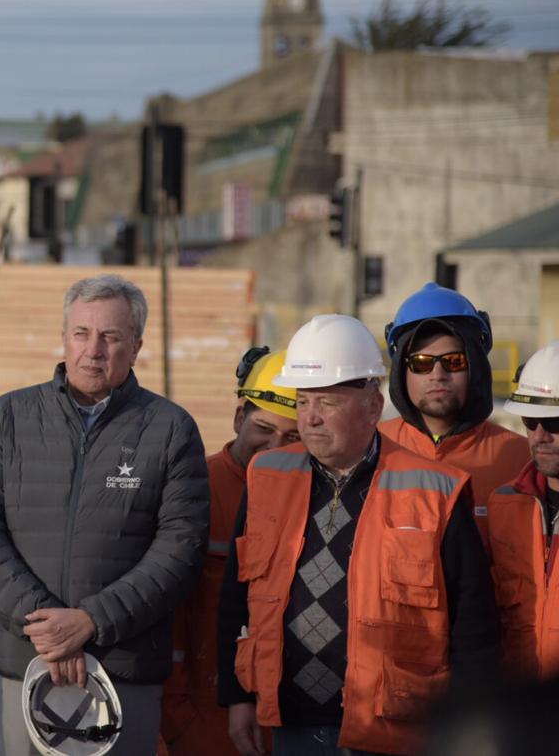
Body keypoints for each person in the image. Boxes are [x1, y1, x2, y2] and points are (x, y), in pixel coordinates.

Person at [217, 314, 499, 756]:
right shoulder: (266, 476)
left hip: (398, 731)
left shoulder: (435, 488)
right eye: (304, 401)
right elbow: (237, 596)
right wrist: (236, 695)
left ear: (372, 404)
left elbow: (473, 624)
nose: (309, 418)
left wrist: (469, 725)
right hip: (288, 723)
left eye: (326, 403)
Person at [0, 273, 210, 756]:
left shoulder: (170, 429)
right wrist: (47, 627)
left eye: (110, 337)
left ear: (135, 346)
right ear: (64, 338)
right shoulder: (7, 417)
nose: (93, 349)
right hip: (31, 657)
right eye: (81, 334)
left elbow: (181, 550)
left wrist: (91, 621)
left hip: (124, 666)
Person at [160, 348, 299, 755]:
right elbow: (164, 615)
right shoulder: (191, 490)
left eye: (292, 437)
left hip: (282, 717)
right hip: (199, 718)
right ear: (240, 417)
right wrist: (177, 720)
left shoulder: (313, 498)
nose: (275, 446)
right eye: (263, 429)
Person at [381, 283, 531, 537]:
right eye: (421, 363)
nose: (438, 375)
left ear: (475, 365)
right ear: (400, 371)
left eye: (454, 361)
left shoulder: (522, 461)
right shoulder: (372, 450)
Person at [485, 341, 559, 680]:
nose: (540, 435)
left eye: (554, 423)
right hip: (523, 713)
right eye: (531, 421)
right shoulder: (504, 505)